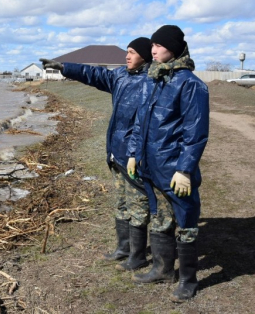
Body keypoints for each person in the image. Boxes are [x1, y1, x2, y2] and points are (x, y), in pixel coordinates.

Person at [40, 37, 153, 272]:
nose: (127, 55)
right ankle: (123, 248)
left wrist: (136, 153)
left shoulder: (151, 81)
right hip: (115, 151)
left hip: (134, 155)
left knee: (138, 205)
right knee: (121, 202)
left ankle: (138, 255)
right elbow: (95, 74)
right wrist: (64, 67)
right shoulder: (120, 76)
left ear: (145, 55)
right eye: (127, 51)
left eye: (132, 52)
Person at [126, 25, 209, 302]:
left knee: (185, 222)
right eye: (151, 46)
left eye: (158, 46)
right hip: (151, 167)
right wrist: (134, 153)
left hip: (175, 170)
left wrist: (185, 169)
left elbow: (195, 132)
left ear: (172, 48)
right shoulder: (154, 79)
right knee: (159, 219)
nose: (153, 50)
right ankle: (162, 269)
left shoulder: (190, 83)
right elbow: (140, 122)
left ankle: (188, 279)